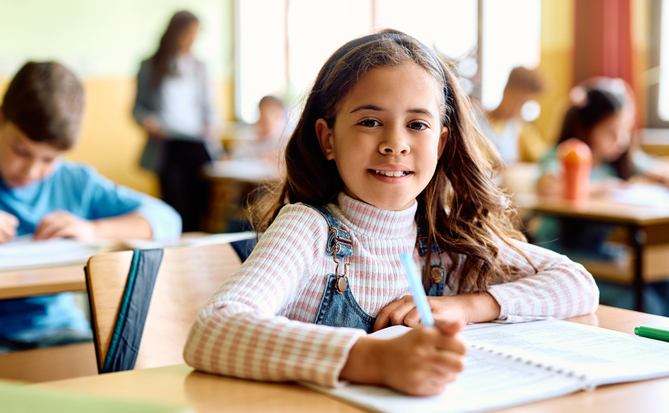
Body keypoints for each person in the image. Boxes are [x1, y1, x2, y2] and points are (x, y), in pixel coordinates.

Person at [183, 30, 598, 396]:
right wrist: (375, 361)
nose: (395, 144)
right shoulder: (306, 229)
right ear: (328, 139)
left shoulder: (446, 234)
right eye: (369, 121)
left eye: (417, 125)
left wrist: (468, 306)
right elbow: (213, 329)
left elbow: (578, 285)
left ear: (439, 144)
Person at [0, 61, 181, 357]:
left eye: (49, 159)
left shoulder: (76, 182)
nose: (31, 169)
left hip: (61, 333)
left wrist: (93, 229)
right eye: (21, 150)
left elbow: (166, 220)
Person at [534, 78, 669, 314]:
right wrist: (601, 188)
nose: (620, 140)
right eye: (611, 132)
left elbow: (658, 170)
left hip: (601, 253)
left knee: (663, 282)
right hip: (564, 255)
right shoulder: (567, 154)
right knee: (647, 301)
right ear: (585, 129)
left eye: (625, 131)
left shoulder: (618, 161)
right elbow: (549, 187)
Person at [133, 10, 219, 232]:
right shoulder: (150, 65)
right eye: (188, 34)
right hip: (168, 147)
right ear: (175, 33)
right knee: (175, 208)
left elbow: (209, 108)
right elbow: (137, 108)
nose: (191, 40)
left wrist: (211, 124)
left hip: (197, 145)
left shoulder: (200, 67)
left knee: (200, 209)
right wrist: (148, 121)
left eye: (195, 35)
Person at [477, 66, 546, 164]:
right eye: (517, 100)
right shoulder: (475, 124)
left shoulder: (520, 129)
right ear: (506, 90)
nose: (518, 109)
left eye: (524, 104)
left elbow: (544, 156)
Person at [231, 95, 291, 164]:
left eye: (272, 112)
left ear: (279, 114)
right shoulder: (247, 136)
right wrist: (259, 157)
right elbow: (234, 156)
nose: (268, 116)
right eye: (263, 112)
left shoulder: (287, 139)